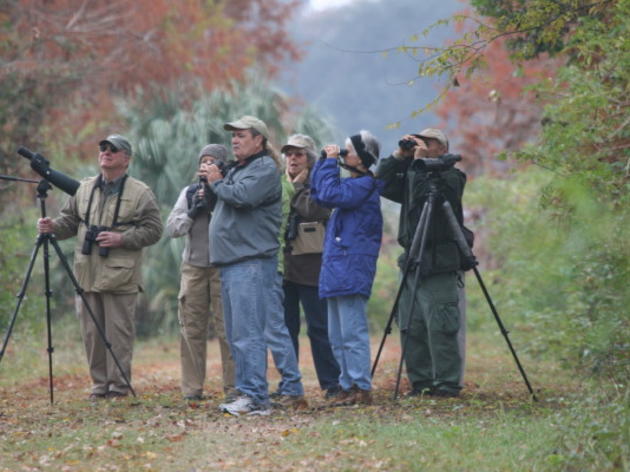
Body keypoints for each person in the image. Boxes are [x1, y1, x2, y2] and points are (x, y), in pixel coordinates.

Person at [37, 134, 163, 399]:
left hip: (120, 275)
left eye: (113, 150)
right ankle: (99, 386)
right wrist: (52, 228)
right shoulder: (84, 189)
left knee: (119, 334)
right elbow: (69, 222)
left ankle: (118, 388)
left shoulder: (140, 192)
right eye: (103, 148)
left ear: (126, 159)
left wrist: (122, 239)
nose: (106, 152)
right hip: (86, 274)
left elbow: (154, 230)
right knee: (92, 335)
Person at [205, 115, 303, 416]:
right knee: (237, 334)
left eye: (242, 135)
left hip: (251, 263)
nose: (234, 140)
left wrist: (217, 181)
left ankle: (257, 398)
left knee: (249, 333)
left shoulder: (264, 169)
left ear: (259, 139)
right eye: (232, 135)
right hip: (234, 262)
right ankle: (247, 393)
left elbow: (242, 197)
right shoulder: (242, 168)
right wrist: (217, 181)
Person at [376, 128, 466, 397]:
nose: (422, 145)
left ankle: (447, 384)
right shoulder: (412, 173)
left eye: (429, 142)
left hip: (440, 260)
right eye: (420, 141)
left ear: (443, 148)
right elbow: (381, 182)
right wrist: (399, 155)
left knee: (441, 324)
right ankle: (422, 382)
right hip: (413, 260)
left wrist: (418, 165)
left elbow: (428, 194)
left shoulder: (452, 176)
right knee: (411, 325)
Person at [311, 130, 383, 405]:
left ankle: (361, 386)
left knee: (352, 332)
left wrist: (330, 163)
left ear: (363, 159)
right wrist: (322, 162)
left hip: (352, 265)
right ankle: (346, 385)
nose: (343, 154)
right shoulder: (351, 186)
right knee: (336, 335)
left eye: (348, 150)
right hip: (337, 265)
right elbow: (318, 193)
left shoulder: (364, 185)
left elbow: (330, 193)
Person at [165, 144, 236, 401]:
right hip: (194, 267)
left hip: (223, 267)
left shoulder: (230, 190)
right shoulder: (189, 191)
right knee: (191, 329)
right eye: (203, 161)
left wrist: (216, 201)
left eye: (212, 161)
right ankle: (192, 389)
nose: (206, 165)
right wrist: (193, 212)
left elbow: (237, 225)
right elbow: (172, 228)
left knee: (227, 329)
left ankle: (233, 388)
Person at [281, 134, 341, 398]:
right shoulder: (279, 181)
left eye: (299, 154)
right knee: (286, 329)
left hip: (313, 269)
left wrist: (298, 188)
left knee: (318, 328)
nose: (293, 159)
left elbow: (317, 210)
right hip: (284, 268)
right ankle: (289, 385)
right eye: (289, 154)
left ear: (310, 158)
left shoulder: (320, 181)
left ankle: (331, 384)